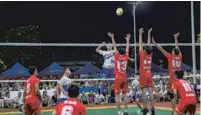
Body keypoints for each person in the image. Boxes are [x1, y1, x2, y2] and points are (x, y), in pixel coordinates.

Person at [152, 32, 182, 113]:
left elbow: (161, 49)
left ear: (173, 53)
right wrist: (176, 38)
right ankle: (180, 110)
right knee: (180, 96)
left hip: (173, 79)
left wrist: (155, 43)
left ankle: (174, 111)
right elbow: (177, 47)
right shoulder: (180, 56)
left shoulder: (170, 57)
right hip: (180, 78)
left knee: (172, 96)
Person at [107, 32, 131, 115]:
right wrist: (128, 40)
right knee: (125, 95)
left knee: (117, 95)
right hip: (124, 78)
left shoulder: (116, 56)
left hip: (118, 78)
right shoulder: (126, 56)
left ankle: (119, 111)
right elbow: (127, 48)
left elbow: (114, 47)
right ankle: (126, 111)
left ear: (119, 52)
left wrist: (112, 37)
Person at [138, 28, 155, 115]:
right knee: (151, 92)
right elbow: (149, 45)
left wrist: (140, 34)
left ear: (145, 50)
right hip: (149, 74)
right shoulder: (150, 54)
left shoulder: (142, 54)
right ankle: (152, 109)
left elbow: (140, 44)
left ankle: (145, 109)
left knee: (144, 92)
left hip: (143, 75)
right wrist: (149, 33)